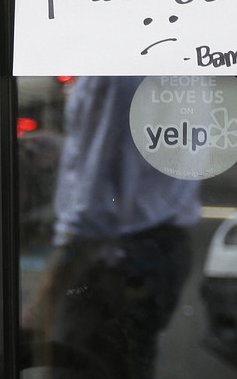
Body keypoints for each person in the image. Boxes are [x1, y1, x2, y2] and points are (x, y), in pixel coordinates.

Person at [22, 76, 200, 379]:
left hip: (116, 259)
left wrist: (46, 291)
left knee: (84, 364)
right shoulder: (177, 62)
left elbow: (94, 207)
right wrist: (70, 150)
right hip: (162, 247)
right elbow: (136, 158)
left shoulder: (110, 72)